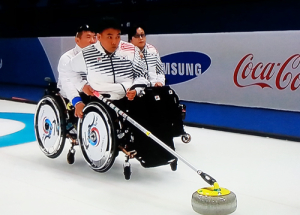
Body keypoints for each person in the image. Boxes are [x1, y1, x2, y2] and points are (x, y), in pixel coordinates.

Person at [69, 18, 149, 109]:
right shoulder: (87, 53)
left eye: (117, 37)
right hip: (101, 101)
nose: (114, 42)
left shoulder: (131, 50)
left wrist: (136, 90)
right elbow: (70, 70)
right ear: (99, 37)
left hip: (130, 100)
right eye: (110, 37)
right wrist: (82, 86)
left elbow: (142, 74)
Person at [57, 24, 97, 118]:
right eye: (88, 37)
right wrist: (77, 102)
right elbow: (67, 83)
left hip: (93, 92)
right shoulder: (67, 58)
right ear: (77, 40)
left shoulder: (98, 56)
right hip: (72, 94)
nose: (92, 41)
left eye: (94, 37)